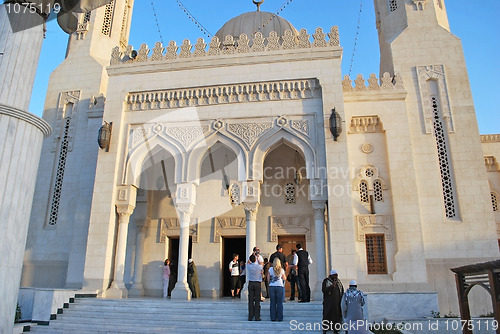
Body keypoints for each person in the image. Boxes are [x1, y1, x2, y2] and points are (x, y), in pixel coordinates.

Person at [322, 269, 344, 334]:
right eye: (334, 275)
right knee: (327, 315)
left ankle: (336, 330)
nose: (336, 277)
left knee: (336, 317)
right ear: (331, 275)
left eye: (336, 275)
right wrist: (331, 286)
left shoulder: (338, 282)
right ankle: (325, 329)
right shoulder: (326, 281)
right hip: (328, 303)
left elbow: (341, 290)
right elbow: (324, 290)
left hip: (337, 303)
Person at [246, 254, 263, 321]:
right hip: (257, 283)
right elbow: (261, 263)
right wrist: (258, 258)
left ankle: (250, 316)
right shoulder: (259, 267)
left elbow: (247, 262)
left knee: (250, 300)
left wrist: (250, 258)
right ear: (255, 260)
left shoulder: (249, 266)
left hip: (251, 283)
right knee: (257, 301)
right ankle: (257, 317)